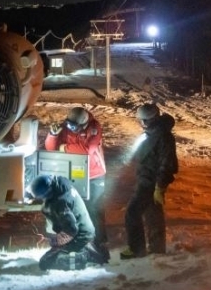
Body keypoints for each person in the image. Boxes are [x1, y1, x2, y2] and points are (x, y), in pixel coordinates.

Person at [44, 106, 109, 261]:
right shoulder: (66, 128)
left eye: (74, 126)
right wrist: (52, 135)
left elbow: (86, 150)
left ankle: (100, 249)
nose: (70, 128)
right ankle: (75, 247)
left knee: (93, 210)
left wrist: (64, 147)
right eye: (69, 124)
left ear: (83, 123)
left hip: (94, 176)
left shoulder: (94, 128)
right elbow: (50, 148)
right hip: (73, 175)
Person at [121, 102, 178, 259]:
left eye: (145, 120)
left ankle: (136, 249)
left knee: (132, 213)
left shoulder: (164, 136)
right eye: (141, 120)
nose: (142, 123)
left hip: (151, 182)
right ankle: (157, 248)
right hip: (145, 178)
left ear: (153, 119)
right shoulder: (151, 133)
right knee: (153, 214)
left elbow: (167, 163)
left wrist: (159, 186)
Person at [26, 173, 109, 271]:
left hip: (80, 235)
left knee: (47, 263)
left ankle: (86, 255)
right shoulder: (60, 182)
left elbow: (71, 230)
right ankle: (87, 248)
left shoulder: (60, 203)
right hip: (84, 229)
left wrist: (55, 241)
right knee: (48, 259)